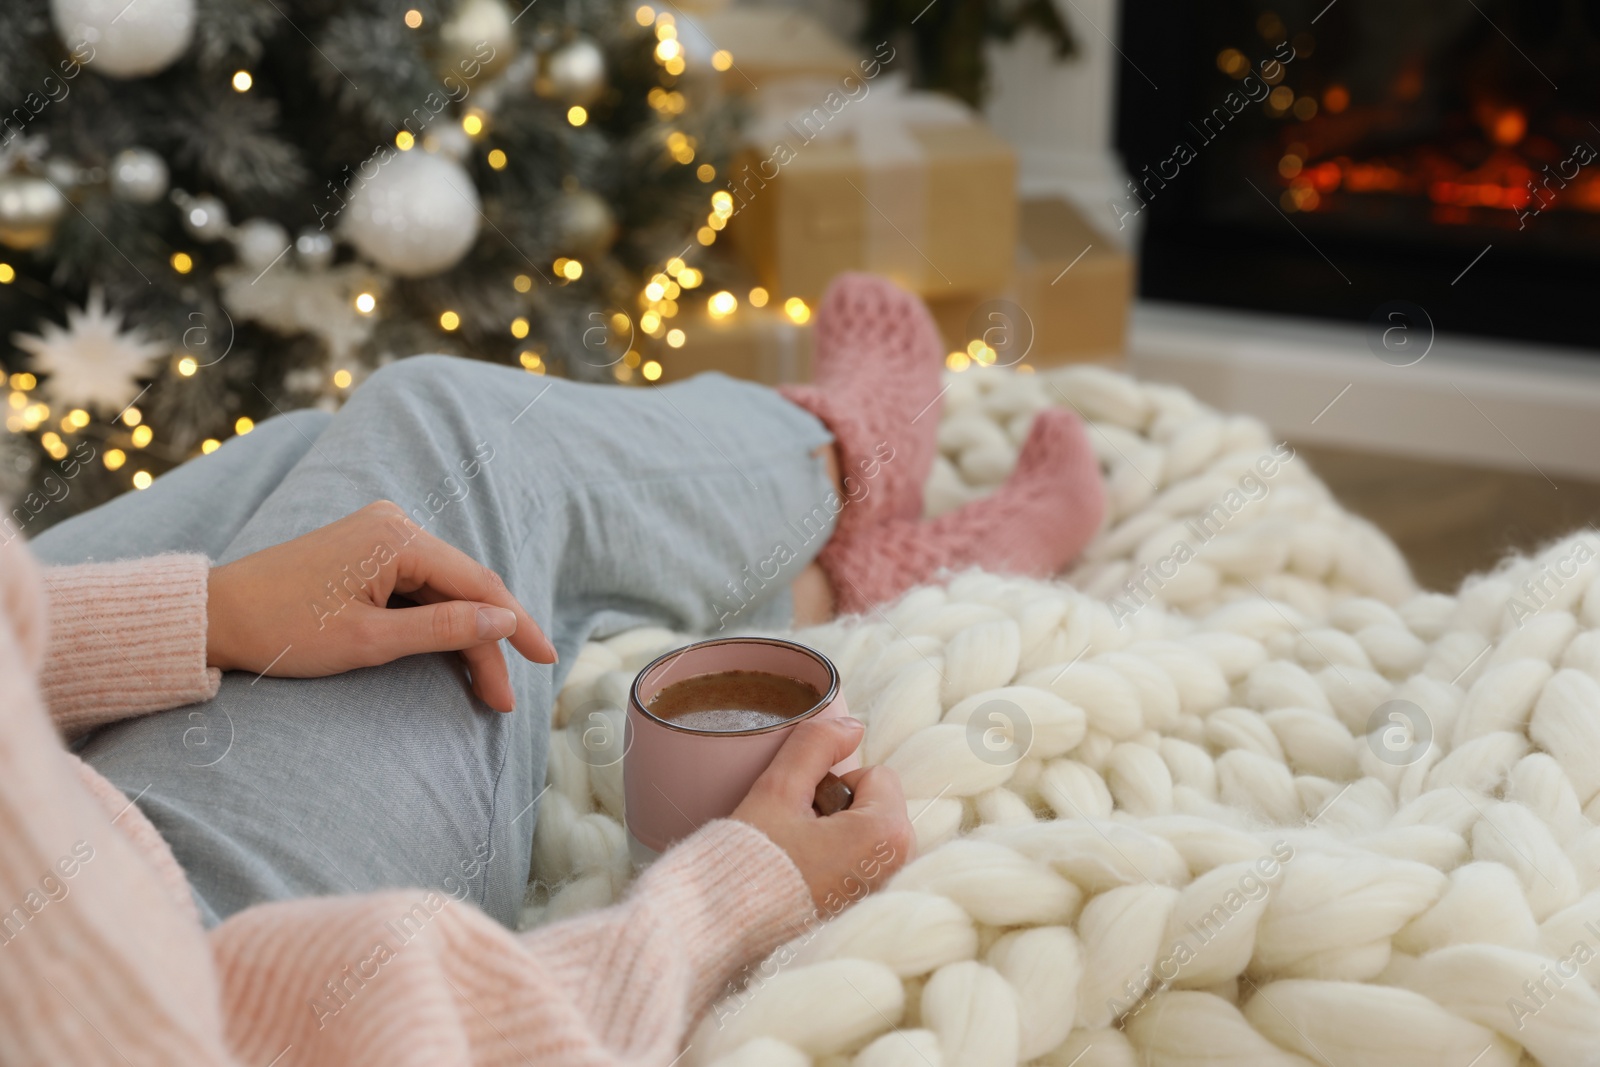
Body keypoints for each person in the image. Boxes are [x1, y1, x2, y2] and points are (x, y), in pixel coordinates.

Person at [0, 275, 1104, 1065]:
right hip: (183, 928)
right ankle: (839, 463)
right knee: (443, 427)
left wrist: (201, 615)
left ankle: (825, 571)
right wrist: (722, 905)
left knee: (318, 473)